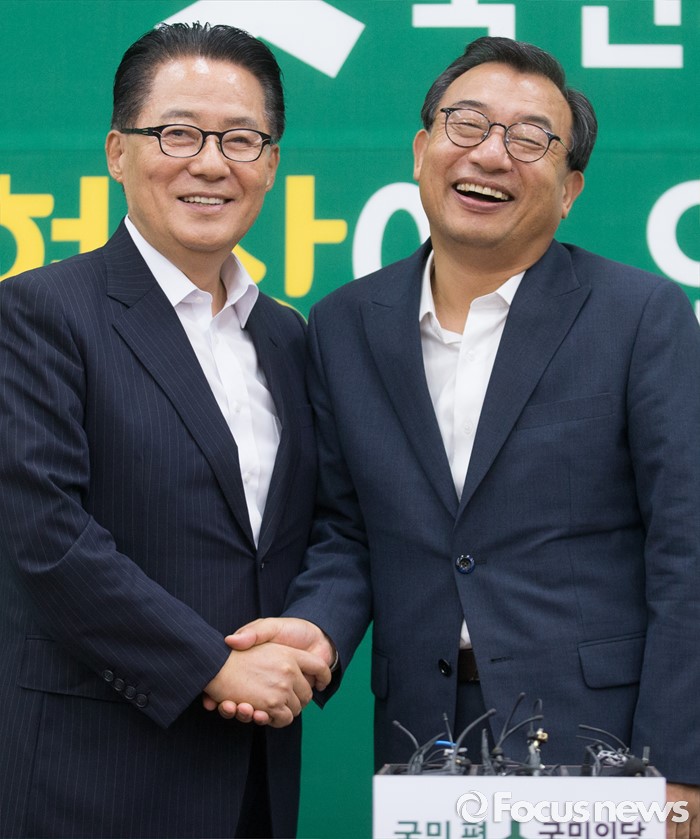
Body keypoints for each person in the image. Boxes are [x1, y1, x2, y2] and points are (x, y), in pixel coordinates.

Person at [213, 36, 700, 834]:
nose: (491, 154)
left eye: (531, 138)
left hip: (602, 737)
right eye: (466, 124)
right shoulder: (344, 325)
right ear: (421, 149)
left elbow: (688, 549)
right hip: (425, 732)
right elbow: (346, 531)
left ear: (570, 189)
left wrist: (680, 766)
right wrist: (317, 631)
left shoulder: (639, 317)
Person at [0, 22, 331, 839]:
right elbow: (46, 536)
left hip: (254, 779)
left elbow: (328, 523)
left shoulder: (287, 336)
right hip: (96, 778)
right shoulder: (38, 312)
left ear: (271, 164)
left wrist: (316, 632)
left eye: (241, 139)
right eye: (178, 133)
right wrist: (212, 664)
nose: (211, 163)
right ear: (118, 152)